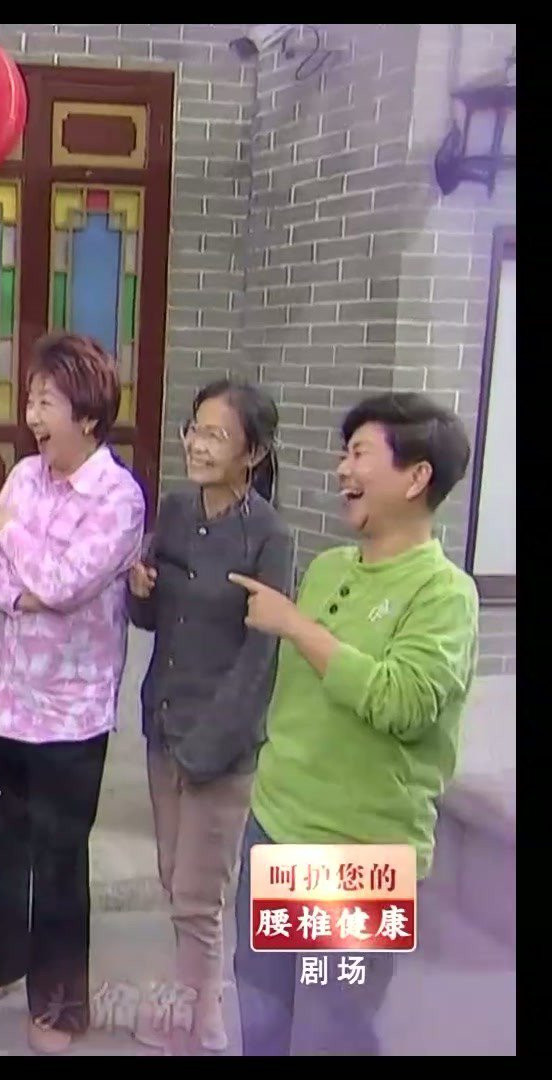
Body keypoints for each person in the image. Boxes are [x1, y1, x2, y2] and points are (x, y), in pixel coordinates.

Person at [230, 392, 477, 1056]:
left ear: (417, 477)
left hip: (358, 854)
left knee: (331, 1030)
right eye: (345, 454)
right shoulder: (330, 568)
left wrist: (294, 624)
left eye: (360, 454)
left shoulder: (444, 593)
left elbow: (402, 701)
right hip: (277, 827)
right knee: (264, 1010)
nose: (342, 469)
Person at [0, 332, 145, 1054]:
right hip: (7, 699)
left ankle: (61, 1007)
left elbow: (66, 583)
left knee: (60, 860)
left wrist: (11, 535)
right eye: (31, 399)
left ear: (88, 416)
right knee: (3, 841)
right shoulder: (25, 476)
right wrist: (21, 594)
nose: (32, 415)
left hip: (71, 711)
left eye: (47, 402)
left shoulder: (118, 497)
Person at [126, 380, 292, 1053]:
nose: (196, 444)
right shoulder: (172, 511)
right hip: (164, 723)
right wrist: (140, 591)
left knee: (200, 895)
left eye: (216, 435)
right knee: (175, 879)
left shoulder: (270, 535)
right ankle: (197, 1003)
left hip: (222, 744)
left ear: (252, 454)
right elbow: (152, 617)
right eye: (194, 429)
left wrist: (209, 747)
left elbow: (260, 659)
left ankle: (202, 1026)